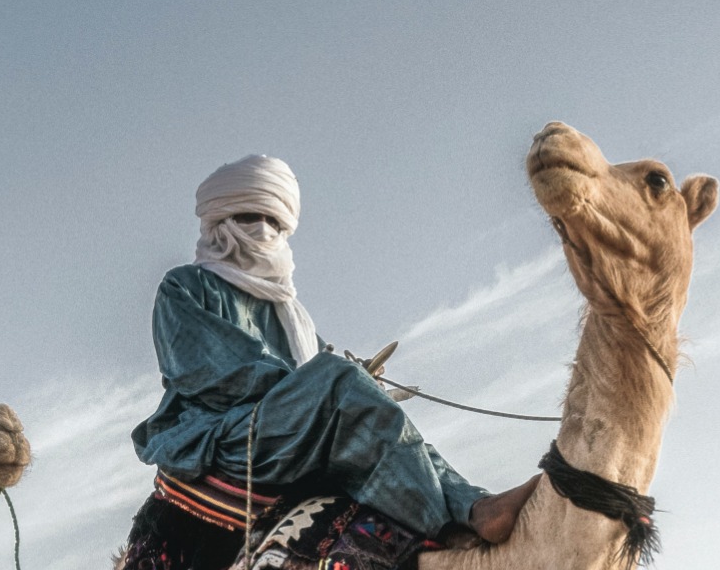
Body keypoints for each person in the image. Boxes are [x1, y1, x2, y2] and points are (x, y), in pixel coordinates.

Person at [129, 154, 534, 545]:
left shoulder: (290, 313)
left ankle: (474, 506)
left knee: (383, 414)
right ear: (223, 223)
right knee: (342, 386)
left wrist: (353, 385)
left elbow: (320, 375)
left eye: (274, 222)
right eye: (252, 219)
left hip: (293, 425)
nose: (264, 232)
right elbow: (219, 376)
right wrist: (321, 388)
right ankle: (445, 532)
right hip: (229, 434)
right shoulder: (183, 288)